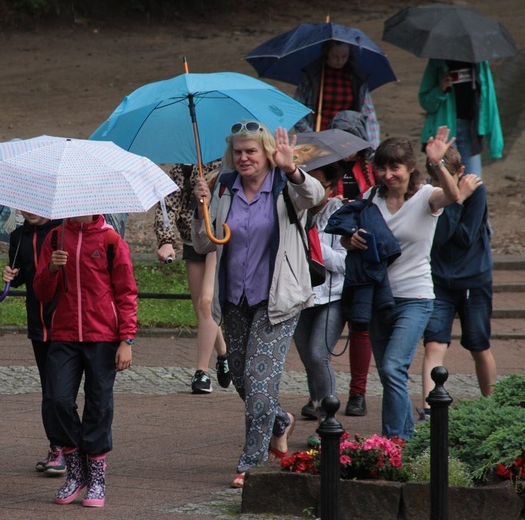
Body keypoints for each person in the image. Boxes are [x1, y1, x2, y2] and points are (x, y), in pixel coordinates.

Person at [191, 121, 325, 488]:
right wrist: (201, 208)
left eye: (251, 150)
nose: (244, 157)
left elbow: (315, 195)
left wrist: (291, 168)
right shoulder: (223, 186)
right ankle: (280, 421)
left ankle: (252, 461)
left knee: (260, 383)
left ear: (266, 151)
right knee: (240, 378)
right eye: (238, 151)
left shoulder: (285, 186)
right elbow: (204, 244)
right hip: (234, 299)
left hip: (277, 301)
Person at [342, 126, 460, 440]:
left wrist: (438, 164)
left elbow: (453, 195)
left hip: (416, 297)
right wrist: (349, 240)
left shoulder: (425, 198)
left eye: (395, 167)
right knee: (387, 372)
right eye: (381, 167)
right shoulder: (370, 197)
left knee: (394, 366)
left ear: (410, 168)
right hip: (379, 297)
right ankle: (408, 437)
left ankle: (395, 441)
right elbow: (350, 236)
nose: (387, 174)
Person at [33, 214, 137, 507]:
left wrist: (126, 340)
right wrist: (52, 268)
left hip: (102, 336)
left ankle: (96, 474)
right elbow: (41, 292)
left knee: (99, 403)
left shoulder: (110, 240)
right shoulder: (55, 237)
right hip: (64, 335)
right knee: (56, 400)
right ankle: (75, 469)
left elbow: (126, 292)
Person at [421, 146, 497, 418]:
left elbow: (464, 237)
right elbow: (438, 237)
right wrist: (456, 197)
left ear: (461, 174)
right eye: (436, 180)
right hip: (439, 280)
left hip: (473, 279)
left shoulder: (476, 191)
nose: (443, 186)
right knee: (434, 343)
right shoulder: (429, 193)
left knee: (479, 345)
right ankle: (430, 409)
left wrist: (456, 199)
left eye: (448, 180)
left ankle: (491, 405)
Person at [154, 162, 230, 394]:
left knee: (207, 302)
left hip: (220, 237)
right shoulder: (183, 168)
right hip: (194, 238)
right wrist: (166, 239)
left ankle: (202, 372)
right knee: (201, 309)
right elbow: (167, 205)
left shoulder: (231, 162)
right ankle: (224, 354)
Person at [1, 211, 64, 475]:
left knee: (61, 391)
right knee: (49, 390)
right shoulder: (19, 235)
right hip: (38, 324)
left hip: (65, 322)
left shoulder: (63, 234)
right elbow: (22, 277)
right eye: (25, 206)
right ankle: (57, 447)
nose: (31, 212)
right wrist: (10, 276)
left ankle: (69, 447)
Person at [327, 110, 376, 418]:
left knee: (360, 326)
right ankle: (322, 392)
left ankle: (357, 393)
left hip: (361, 259)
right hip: (328, 256)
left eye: (351, 141)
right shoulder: (320, 166)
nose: (345, 147)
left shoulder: (371, 170)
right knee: (322, 329)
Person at [292, 165, 347, 434]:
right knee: (308, 360)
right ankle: (318, 411)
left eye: (320, 185)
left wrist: (311, 243)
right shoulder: (294, 208)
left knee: (317, 356)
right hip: (301, 297)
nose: (312, 190)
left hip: (332, 297)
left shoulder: (341, 213)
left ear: (332, 188)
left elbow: (343, 262)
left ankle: (329, 421)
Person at [418, 59, 504, 177]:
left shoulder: (479, 62)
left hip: (470, 131)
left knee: (473, 183)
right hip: (443, 133)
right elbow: (426, 103)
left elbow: (489, 100)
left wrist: (495, 145)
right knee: (445, 183)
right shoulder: (437, 62)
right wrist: (441, 89)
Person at [294, 41, 380, 147]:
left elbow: (368, 113)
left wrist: (373, 145)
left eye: (344, 56)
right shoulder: (313, 76)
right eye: (335, 56)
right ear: (326, 52)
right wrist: (310, 135)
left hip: (347, 139)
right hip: (317, 136)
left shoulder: (357, 78)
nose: (340, 61)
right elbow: (296, 110)